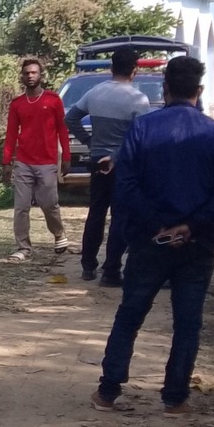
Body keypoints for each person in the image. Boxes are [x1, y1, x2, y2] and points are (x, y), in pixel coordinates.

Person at [91, 56, 214, 416]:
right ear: (200, 90)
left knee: (131, 313)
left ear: (164, 88)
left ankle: (108, 391)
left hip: (149, 240)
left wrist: (159, 224)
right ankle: (175, 398)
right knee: (187, 320)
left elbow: (126, 186)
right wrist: (190, 227)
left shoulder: (143, 129)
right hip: (199, 244)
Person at [65, 47, 151, 286]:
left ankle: (87, 265)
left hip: (96, 159)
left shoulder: (95, 92)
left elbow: (70, 118)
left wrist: (89, 141)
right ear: (134, 71)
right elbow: (140, 135)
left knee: (96, 212)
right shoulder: (138, 99)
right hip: (123, 163)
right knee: (120, 216)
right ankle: (111, 269)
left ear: (111, 68)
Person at [0, 56, 72, 261]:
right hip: (24, 162)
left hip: (47, 162)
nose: (30, 76)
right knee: (21, 207)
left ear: (41, 75)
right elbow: (11, 133)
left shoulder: (52, 100)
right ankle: (23, 247)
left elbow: (62, 129)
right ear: (22, 77)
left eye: (34, 72)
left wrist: (66, 156)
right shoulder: (17, 104)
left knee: (49, 203)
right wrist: (6, 161)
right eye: (27, 73)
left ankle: (58, 234)